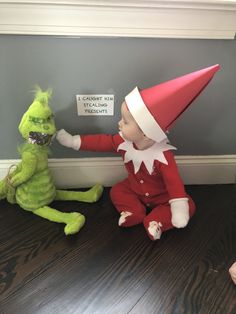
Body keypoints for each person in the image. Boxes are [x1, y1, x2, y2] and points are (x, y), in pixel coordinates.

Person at [56, 65, 220, 241]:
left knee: (189, 205)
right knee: (117, 190)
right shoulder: (123, 142)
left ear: (145, 133)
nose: (119, 124)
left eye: (125, 122)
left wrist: (179, 206)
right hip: (134, 189)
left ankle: (156, 221)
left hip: (162, 196)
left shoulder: (163, 156)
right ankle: (133, 211)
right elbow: (101, 141)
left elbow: (174, 184)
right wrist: (74, 141)